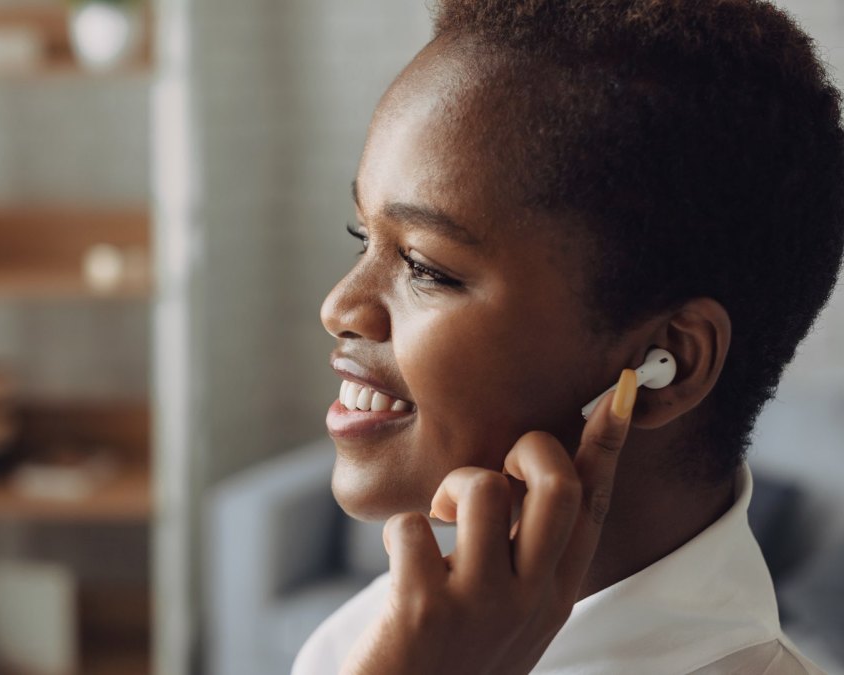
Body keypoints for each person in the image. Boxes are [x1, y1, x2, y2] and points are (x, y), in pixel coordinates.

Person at [296, 0, 843, 673]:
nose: (339, 305)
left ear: (664, 362)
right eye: (363, 238)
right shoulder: (385, 627)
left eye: (426, 268)